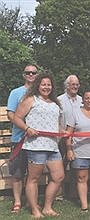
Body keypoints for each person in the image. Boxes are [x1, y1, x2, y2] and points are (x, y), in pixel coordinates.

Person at [13, 73, 65, 218]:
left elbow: (56, 124)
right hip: (36, 146)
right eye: (43, 84)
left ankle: (47, 207)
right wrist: (27, 129)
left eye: (49, 84)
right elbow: (17, 117)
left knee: (59, 177)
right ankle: (35, 210)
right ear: (38, 85)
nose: (46, 87)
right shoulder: (30, 100)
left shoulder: (55, 103)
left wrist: (62, 131)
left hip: (53, 146)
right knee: (33, 179)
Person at [6, 64, 38, 214]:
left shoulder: (41, 92)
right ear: (24, 75)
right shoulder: (16, 93)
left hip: (37, 141)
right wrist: (26, 128)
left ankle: (32, 201)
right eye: (28, 72)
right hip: (20, 139)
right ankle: (18, 201)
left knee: (33, 174)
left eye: (33, 72)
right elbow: (11, 115)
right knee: (18, 173)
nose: (31, 74)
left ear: (37, 75)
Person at [57, 74, 82, 199]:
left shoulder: (82, 100)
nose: (75, 86)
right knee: (60, 166)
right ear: (67, 86)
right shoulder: (59, 100)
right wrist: (61, 131)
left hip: (78, 139)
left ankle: (74, 193)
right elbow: (56, 118)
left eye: (77, 84)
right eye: (73, 84)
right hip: (62, 138)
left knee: (76, 166)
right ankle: (59, 193)